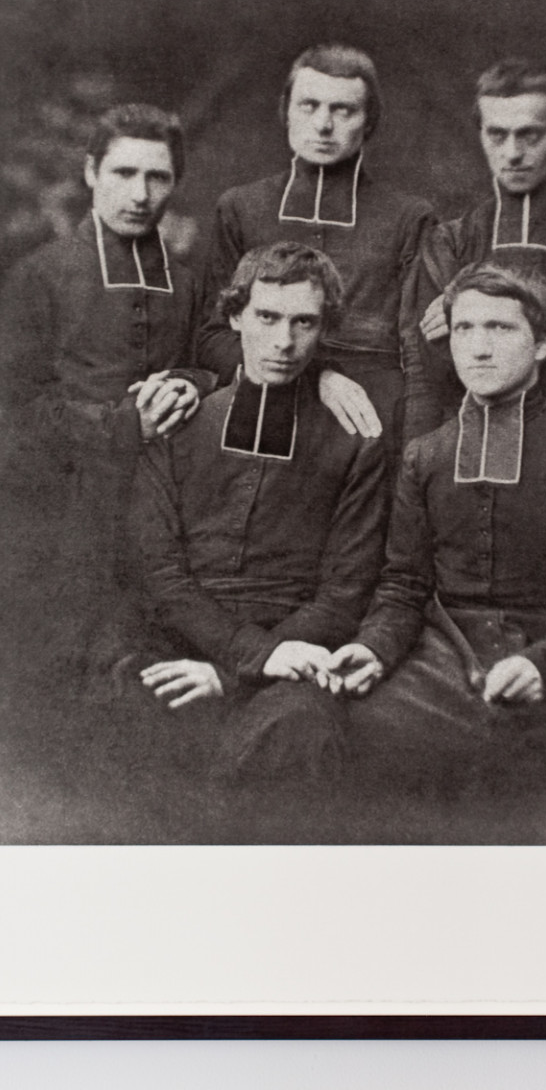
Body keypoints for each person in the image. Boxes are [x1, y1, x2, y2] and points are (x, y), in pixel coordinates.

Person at [328, 263, 546, 792]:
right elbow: (404, 585)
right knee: (365, 733)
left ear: (543, 343)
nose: (478, 349)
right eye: (464, 329)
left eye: (500, 329)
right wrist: (375, 647)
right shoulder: (425, 455)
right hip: (442, 657)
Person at [133, 242, 387, 781]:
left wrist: (239, 671)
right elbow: (157, 571)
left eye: (304, 323)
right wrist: (241, 653)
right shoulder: (181, 421)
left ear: (325, 329)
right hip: (176, 638)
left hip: (292, 654)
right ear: (234, 316)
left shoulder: (356, 441)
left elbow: (345, 593)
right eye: (267, 317)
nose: (284, 342)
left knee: (301, 732)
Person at [0, 102, 212, 670]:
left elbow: (216, 361)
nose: (141, 194)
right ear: (91, 172)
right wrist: (122, 425)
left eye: (158, 177)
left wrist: (192, 380)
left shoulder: (186, 284)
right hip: (62, 518)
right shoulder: (38, 275)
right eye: (124, 173)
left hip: (171, 517)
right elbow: (14, 410)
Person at [196, 43, 436, 451]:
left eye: (344, 110)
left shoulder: (409, 217)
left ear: (370, 121)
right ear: (285, 111)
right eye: (309, 105)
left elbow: (420, 354)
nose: (324, 124)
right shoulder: (240, 207)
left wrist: (413, 453)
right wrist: (315, 376)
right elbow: (211, 337)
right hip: (262, 401)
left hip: (371, 416)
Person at [408, 60, 546, 437]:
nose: (511, 153)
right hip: (470, 436)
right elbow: (438, 365)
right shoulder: (451, 239)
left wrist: (474, 318)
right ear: (480, 135)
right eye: (497, 134)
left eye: (530, 135)